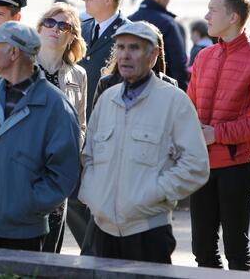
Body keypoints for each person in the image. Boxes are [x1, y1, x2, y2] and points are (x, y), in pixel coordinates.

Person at [80, 21, 209, 264]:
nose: (125, 56)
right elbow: (90, 156)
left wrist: (153, 193)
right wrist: (93, 196)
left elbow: (196, 165)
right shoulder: (107, 98)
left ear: (153, 55)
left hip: (148, 231)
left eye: (135, 48)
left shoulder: (174, 101)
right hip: (102, 229)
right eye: (120, 48)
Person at [0, 21, 81, 252]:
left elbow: (63, 174)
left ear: (14, 52)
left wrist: (26, 205)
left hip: (20, 232)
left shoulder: (56, 107)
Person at [188, 0, 250, 271]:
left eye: (213, 11)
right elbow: (188, 108)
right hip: (202, 163)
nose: (206, 16)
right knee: (201, 247)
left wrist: (217, 133)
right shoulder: (203, 57)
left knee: (236, 250)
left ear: (234, 18)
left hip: (237, 165)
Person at [72, 0, 130, 247]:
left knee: (106, 200)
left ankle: (102, 253)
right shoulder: (81, 29)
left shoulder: (128, 34)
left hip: (110, 130)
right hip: (80, 128)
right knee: (73, 197)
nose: (84, 0)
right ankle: (92, 250)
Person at [36, 3, 87, 253]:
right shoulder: (23, 65)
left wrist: (71, 154)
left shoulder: (78, 75)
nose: (55, 29)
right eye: (50, 22)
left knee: (52, 246)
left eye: (63, 25)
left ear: (71, 36)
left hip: (58, 170)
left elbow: (81, 122)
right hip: (26, 168)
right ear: (40, 28)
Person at [128, 0, 188, 90]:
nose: (169, 0)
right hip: (162, 89)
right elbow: (178, 63)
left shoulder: (128, 21)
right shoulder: (169, 23)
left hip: (129, 88)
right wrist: (182, 91)